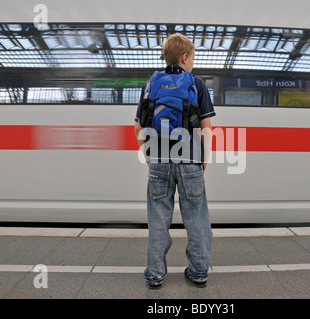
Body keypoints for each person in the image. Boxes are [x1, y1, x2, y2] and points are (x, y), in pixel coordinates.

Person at [134, 34, 215, 289]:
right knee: (197, 220)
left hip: (159, 161)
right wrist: (205, 159)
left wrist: (148, 155)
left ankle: (155, 274)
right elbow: (206, 127)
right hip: (190, 160)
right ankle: (199, 271)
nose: (193, 63)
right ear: (184, 57)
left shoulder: (151, 84)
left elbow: (138, 125)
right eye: (192, 58)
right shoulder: (197, 84)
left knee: (158, 220)